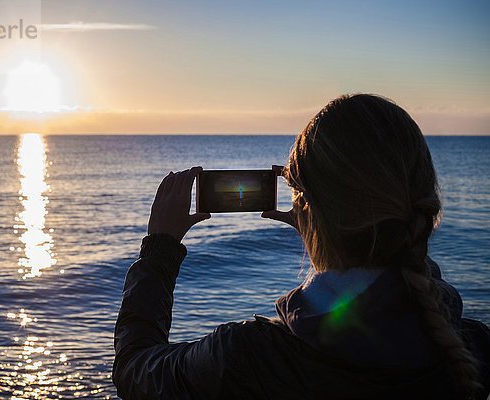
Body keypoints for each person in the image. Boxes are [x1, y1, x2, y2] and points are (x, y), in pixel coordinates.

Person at [112, 94, 490, 399]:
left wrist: (159, 249)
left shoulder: (247, 357)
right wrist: (318, 223)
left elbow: (135, 371)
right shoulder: (469, 348)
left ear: (306, 205)